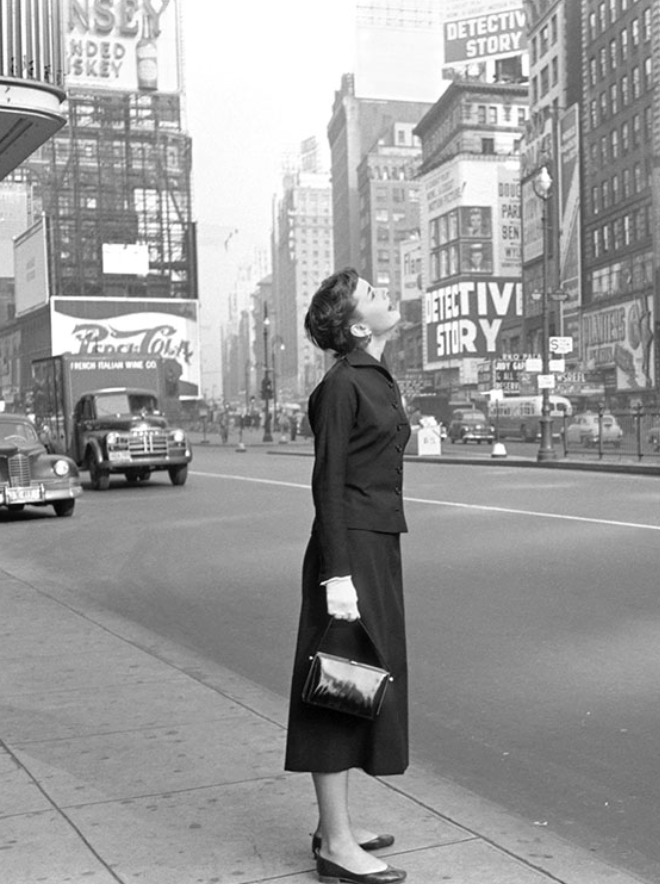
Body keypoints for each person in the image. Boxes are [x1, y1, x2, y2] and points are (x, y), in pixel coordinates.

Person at [285, 267, 410, 884]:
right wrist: (338, 575)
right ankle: (335, 845)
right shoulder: (342, 385)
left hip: (374, 544)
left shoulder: (373, 375)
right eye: (373, 295)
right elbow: (327, 481)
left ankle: (334, 823)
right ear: (358, 325)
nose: (386, 294)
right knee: (337, 684)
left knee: (362, 678)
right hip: (349, 551)